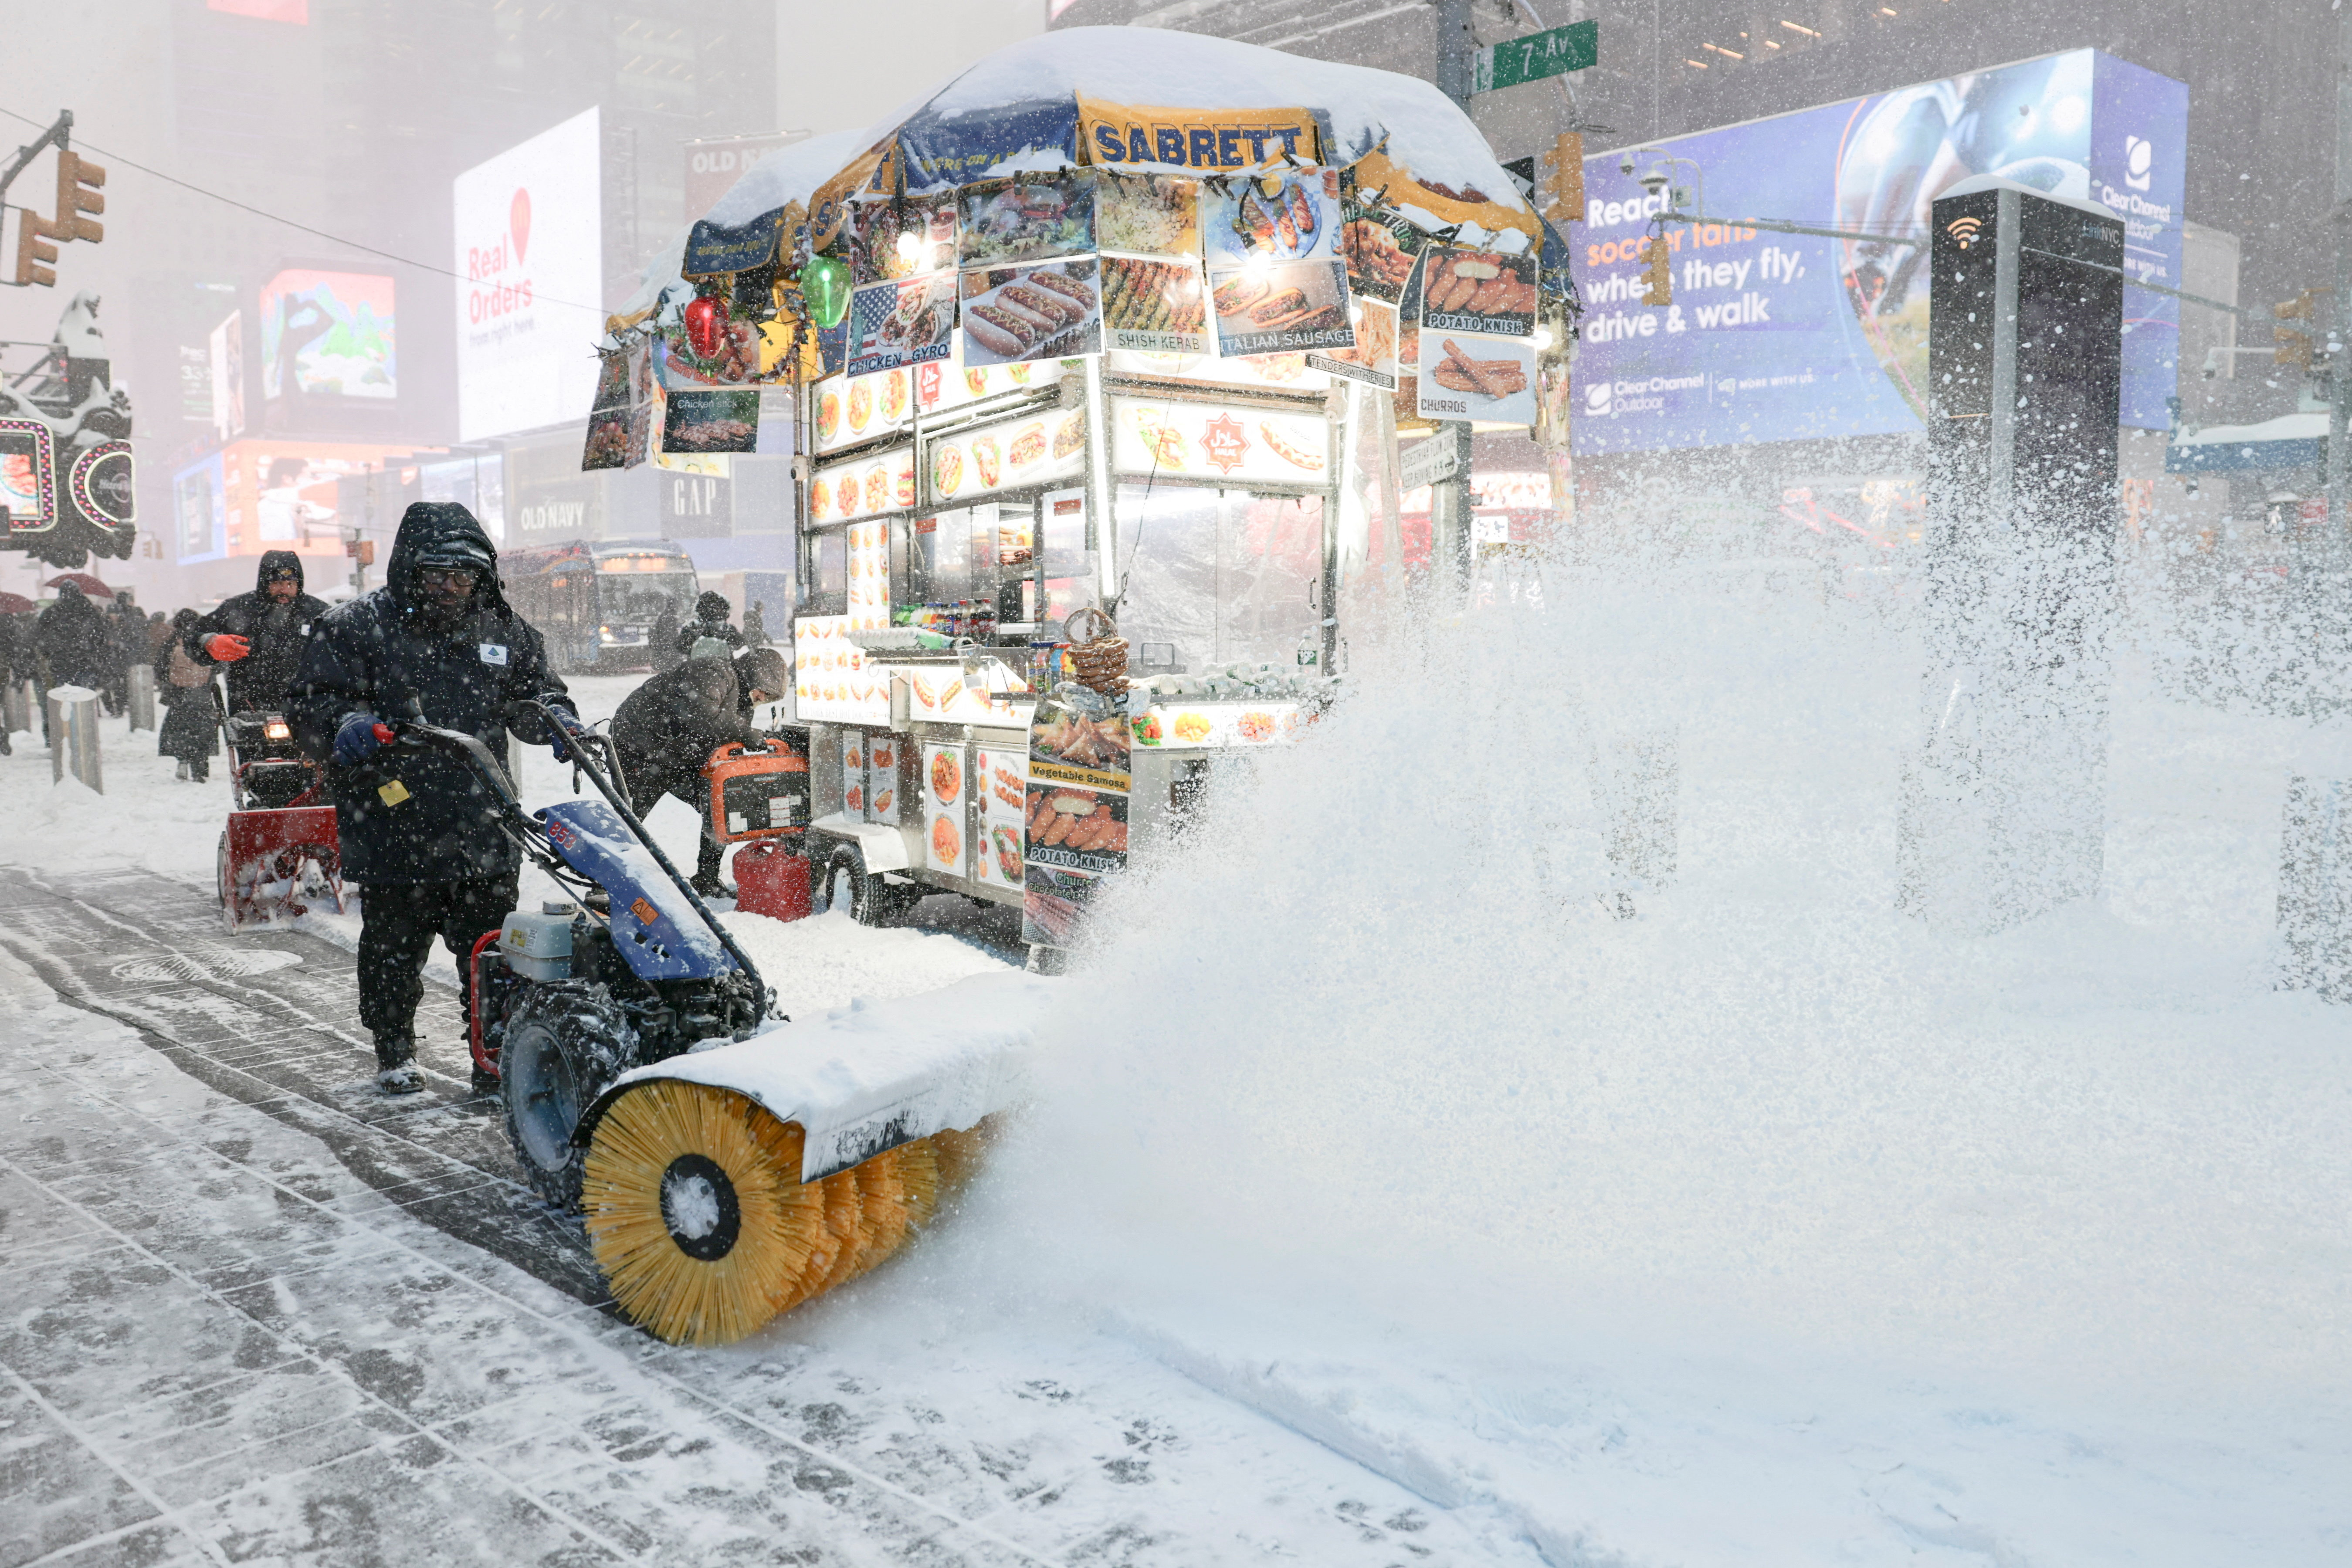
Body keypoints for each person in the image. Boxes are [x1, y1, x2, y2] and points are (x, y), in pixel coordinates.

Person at [290, 502, 581, 1095]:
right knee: (393, 952)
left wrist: (557, 719)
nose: (449, 587)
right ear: (407, 571)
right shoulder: (356, 627)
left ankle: (492, 1054)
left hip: (482, 820)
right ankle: (393, 1045)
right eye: (435, 574)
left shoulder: (501, 628)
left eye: (462, 575)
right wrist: (345, 722)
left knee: (493, 954)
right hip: (395, 819)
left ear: (481, 575)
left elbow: (537, 691)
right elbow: (311, 702)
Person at [609, 644, 790, 896]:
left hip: (679, 754)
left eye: (769, 698)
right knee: (632, 814)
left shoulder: (742, 700)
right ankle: (603, 878)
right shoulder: (715, 671)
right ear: (753, 675)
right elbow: (701, 714)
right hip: (641, 745)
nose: (762, 698)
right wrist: (747, 734)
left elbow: (720, 736)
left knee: (718, 809)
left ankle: (707, 879)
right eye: (763, 692)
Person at [189, 550, 330, 715]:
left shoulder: (317, 612)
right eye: (277, 583)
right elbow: (193, 636)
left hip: (307, 709)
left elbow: (343, 652)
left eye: (291, 584)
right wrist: (208, 641)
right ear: (264, 583)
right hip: (249, 709)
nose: (284, 590)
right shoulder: (239, 609)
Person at [157, 608, 221, 782]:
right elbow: (219, 665)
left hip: (179, 693)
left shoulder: (172, 641)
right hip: (202, 692)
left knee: (181, 730)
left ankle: (183, 761)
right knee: (202, 731)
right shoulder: (205, 640)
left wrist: (169, 682)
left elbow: (160, 666)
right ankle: (200, 768)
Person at [676, 591, 742, 658]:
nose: (713, 612)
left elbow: (681, 648)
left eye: (717, 609)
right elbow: (681, 648)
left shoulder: (691, 627)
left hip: (700, 666)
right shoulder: (728, 629)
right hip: (708, 666)